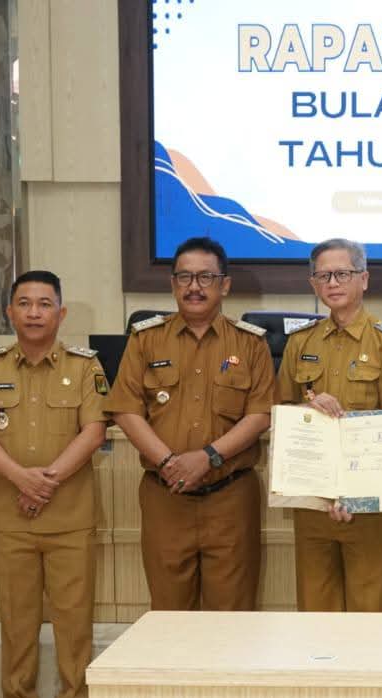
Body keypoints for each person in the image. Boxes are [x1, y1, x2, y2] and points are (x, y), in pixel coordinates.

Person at [0, 270, 108, 698]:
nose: (35, 312)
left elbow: (94, 432)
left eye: (45, 304)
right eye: (25, 303)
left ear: (60, 313)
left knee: (74, 618)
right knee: (16, 617)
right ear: (10, 312)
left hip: (71, 517)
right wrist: (22, 480)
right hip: (11, 517)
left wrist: (44, 483)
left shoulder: (85, 367)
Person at [104, 237, 275, 611]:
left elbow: (261, 414)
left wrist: (207, 456)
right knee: (169, 614)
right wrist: (168, 462)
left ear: (224, 285)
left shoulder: (250, 344)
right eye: (184, 277)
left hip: (230, 498)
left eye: (205, 277)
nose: (194, 286)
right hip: (165, 496)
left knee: (231, 614)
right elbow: (126, 410)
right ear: (172, 284)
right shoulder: (145, 340)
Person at [277, 238, 382, 611]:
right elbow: (282, 412)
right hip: (313, 499)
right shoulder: (300, 342)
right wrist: (306, 408)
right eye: (323, 276)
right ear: (313, 284)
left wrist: (352, 495)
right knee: (315, 607)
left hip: (367, 505)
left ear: (364, 279)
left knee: (369, 610)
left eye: (342, 273)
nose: (333, 283)